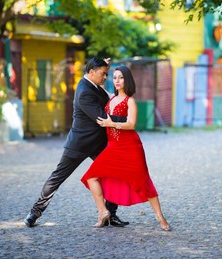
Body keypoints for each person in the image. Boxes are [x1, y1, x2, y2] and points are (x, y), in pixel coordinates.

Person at [24, 57, 129, 227]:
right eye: (103, 74)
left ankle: (111, 214)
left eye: (107, 74)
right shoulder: (84, 91)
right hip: (79, 144)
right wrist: (127, 119)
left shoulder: (94, 85)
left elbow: (110, 100)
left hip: (99, 144)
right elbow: (102, 118)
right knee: (57, 178)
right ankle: (34, 213)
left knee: (114, 173)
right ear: (92, 72)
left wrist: (103, 64)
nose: (105, 77)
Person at [81, 65, 171, 231]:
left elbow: (131, 124)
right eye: (114, 77)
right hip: (113, 148)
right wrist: (103, 66)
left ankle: (160, 217)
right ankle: (103, 212)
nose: (117, 81)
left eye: (121, 77)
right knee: (90, 177)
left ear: (127, 80)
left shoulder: (130, 101)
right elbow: (96, 84)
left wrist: (111, 123)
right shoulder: (110, 99)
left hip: (130, 147)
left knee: (142, 181)